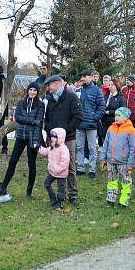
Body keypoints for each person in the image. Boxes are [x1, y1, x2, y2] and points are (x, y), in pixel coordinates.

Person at [0, 83, 45, 198]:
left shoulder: (40, 104)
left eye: (35, 90)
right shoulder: (20, 102)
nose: (32, 92)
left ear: (37, 92)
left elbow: (38, 122)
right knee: (12, 162)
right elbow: (18, 118)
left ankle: (29, 191)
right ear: (28, 90)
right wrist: (32, 121)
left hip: (32, 137)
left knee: (31, 164)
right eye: (31, 89)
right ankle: (3, 188)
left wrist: (35, 136)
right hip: (20, 136)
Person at [43, 75, 84, 207]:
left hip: (68, 138)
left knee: (70, 166)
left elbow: (78, 116)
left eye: (49, 85)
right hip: (53, 140)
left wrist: (65, 131)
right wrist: (49, 134)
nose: (48, 88)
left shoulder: (71, 97)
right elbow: (47, 118)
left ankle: (73, 195)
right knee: (54, 165)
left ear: (56, 84)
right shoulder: (49, 99)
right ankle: (61, 194)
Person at [101, 107, 135, 207]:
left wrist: (130, 164)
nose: (116, 117)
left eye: (119, 115)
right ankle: (110, 200)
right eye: (115, 115)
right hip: (111, 161)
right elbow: (106, 143)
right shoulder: (111, 128)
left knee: (126, 183)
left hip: (124, 162)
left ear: (125, 117)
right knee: (111, 181)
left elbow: (133, 149)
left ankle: (123, 202)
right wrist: (103, 158)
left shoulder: (131, 130)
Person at [75, 69, 106, 177]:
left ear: (91, 77)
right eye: (81, 76)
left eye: (84, 76)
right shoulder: (78, 90)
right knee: (79, 147)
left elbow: (102, 106)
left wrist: (95, 117)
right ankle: (80, 168)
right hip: (79, 124)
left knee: (92, 148)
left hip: (92, 125)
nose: (82, 78)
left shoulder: (97, 90)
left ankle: (92, 170)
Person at [38, 128, 70, 210]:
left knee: (61, 190)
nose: (52, 138)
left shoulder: (64, 149)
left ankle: (59, 203)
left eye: (54, 137)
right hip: (52, 172)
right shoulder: (52, 147)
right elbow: (45, 152)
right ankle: (53, 199)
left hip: (61, 174)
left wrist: (58, 169)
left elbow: (65, 162)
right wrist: (38, 148)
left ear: (60, 137)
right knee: (46, 183)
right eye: (51, 136)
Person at [101, 78, 127, 145]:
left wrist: (110, 112)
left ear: (116, 86)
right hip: (104, 123)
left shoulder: (120, 98)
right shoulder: (105, 96)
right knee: (105, 142)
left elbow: (123, 111)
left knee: (114, 143)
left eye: (112, 85)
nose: (110, 86)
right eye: (109, 85)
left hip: (115, 123)